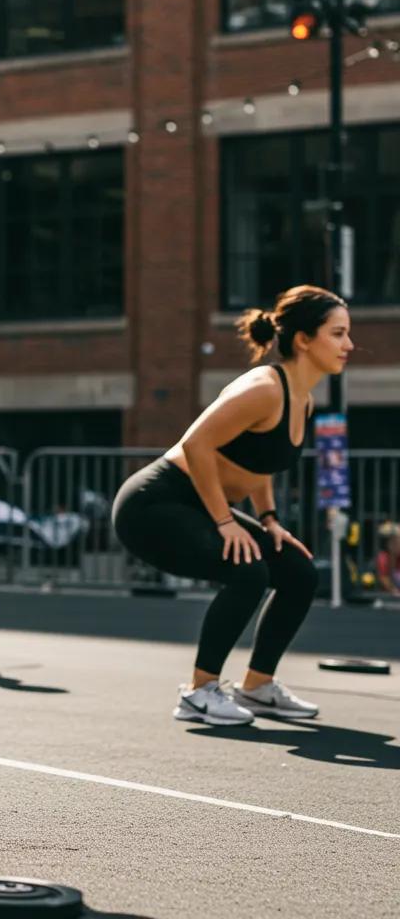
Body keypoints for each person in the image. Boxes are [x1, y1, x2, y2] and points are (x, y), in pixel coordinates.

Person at [112, 285, 352, 726]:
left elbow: (261, 461)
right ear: (303, 340)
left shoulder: (302, 399)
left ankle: (258, 687)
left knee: (298, 571)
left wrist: (269, 519)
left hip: (202, 503)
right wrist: (225, 521)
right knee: (247, 569)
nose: (348, 345)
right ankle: (199, 692)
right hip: (155, 503)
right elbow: (197, 444)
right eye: (337, 334)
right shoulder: (264, 387)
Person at [373, 522, 400, 597]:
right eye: (396, 542)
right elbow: (384, 578)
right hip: (387, 598)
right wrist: (394, 591)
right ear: (389, 544)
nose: (398, 544)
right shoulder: (383, 557)